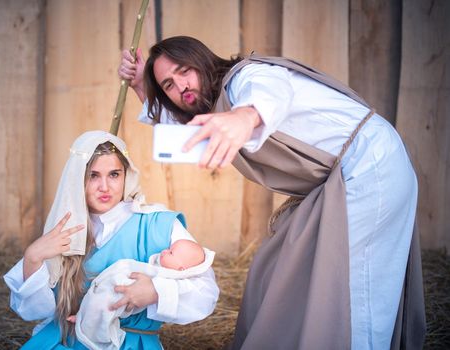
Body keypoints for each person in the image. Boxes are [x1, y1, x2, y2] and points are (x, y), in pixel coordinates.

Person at [118, 36, 425, 349]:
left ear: (202, 60)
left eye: (185, 71)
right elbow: (183, 137)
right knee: (278, 265)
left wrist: (246, 117)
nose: (181, 85)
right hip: (343, 178)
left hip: (370, 166)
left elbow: (271, 91)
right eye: (168, 85)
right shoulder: (220, 108)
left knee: (354, 289)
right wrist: (144, 86)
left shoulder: (246, 78)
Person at [3, 130, 219, 349]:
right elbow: (33, 311)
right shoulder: (63, 230)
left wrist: (155, 292)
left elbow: (206, 294)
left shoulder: (157, 225)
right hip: (64, 340)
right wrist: (32, 258)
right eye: (93, 175)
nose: (104, 187)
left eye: (114, 174)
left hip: (131, 343)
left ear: (126, 175)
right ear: (77, 179)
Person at [75, 239, 214, 349]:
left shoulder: (171, 275)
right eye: (169, 248)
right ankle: (86, 316)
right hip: (110, 289)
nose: (165, 251)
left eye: (171, 252)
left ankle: (89, 321)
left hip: (130, 321)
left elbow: (205, 295)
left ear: (181, 269)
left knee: (105, 304)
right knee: (101, 297)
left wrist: (156, 291)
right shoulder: (163, 264)